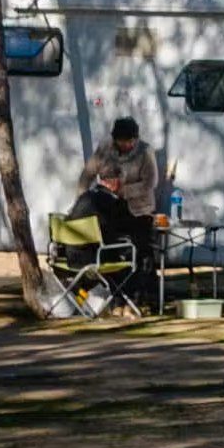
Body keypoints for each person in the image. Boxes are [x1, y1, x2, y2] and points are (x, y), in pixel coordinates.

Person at [73, 115, 167, 309]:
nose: (126, 145)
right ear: (115, 139)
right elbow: (87, 175)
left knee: (141, 246)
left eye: (130, 142)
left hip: (138, 209)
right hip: (109, 207)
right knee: (103, 241)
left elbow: (150, 183)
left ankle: (144, 295)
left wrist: (123, 190)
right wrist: (83, 197)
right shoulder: (105, 148)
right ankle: (113, 293)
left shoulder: (144, 151)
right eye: (123, 142)